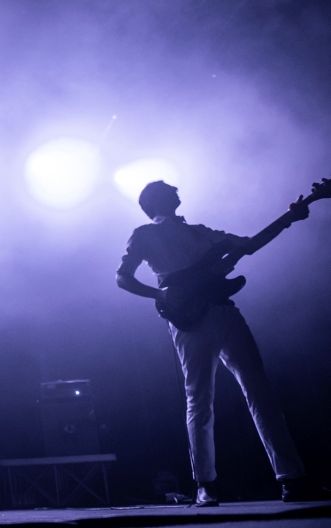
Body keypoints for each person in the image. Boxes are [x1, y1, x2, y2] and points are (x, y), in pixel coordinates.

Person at [116, 181, 329, 506]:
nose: (176, 189)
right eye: (168, 188)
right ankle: (205, 485)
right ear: (155, 200)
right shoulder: (144, 233)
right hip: (189, 320)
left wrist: (291, 217)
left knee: (260, 393)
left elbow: (250, 245)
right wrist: (159, 293)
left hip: (225, 312)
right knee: (199, 400)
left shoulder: (201, 231)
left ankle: (292, 479)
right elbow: (122, 277)